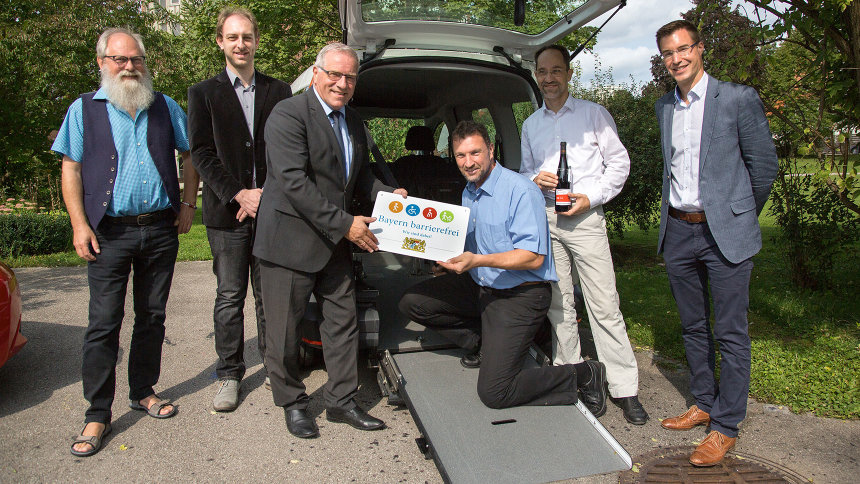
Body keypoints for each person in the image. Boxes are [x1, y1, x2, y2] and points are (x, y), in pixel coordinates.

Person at [52, 28, 199, 457]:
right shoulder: (83, 110)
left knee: (152, 316)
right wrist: (80, 224)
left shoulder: (164, 106)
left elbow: (190, 156)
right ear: (102, 63)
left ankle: (143, 390)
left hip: (158, 229)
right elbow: (71, 169)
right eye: (120, 60)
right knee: (104, 323)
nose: (130, 67)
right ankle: (97, 412)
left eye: (136, 60)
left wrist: (189, 203)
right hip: (108, 232)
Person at [253, 42, 407, 438]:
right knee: (284, 332)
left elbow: (358, 175)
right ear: (316, 73)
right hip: (289, 243)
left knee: (343, 323)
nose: (342, 83)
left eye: (350, 77)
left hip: (334, 243)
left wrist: (385, 194)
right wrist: (347, 225)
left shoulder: (353, 121)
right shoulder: (288, 114)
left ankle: (341, 402)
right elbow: (292, 183)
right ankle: (292, 402)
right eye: (335, 74)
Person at [399, 120, 607, 411]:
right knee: (413, 302)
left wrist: (476, 261)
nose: (468, 162)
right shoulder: (468, 192)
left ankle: (583, 374)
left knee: (495, 393)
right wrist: (452, 261)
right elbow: (476, 244)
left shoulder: (520, 190)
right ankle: (484, 343)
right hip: (482, 286)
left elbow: (533, 257)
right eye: (461, 155)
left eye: (475, 153)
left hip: (520, 295)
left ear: (491, 150)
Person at [654, 20, 778, 466]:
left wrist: (736, 213)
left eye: (683, 49)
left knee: (730, 331)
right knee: (691, 325)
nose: (677, 59)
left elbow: (763, 166)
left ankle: (725, 425)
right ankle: (704, 401)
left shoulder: (738, 99)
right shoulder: (664, 107)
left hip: (723, 232)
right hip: (679, 230)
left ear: (700, 49)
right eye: (668, 53)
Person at [519, 45, 647, 424]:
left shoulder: (594, 114)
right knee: (559, 303)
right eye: (542, 72)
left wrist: (591, 198)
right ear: (537, 75)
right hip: (547, 217)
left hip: (586, 218)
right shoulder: (531, 125)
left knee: (603, 303)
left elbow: (619, 164)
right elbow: (525, 171)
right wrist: (533, 178)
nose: (549, 78)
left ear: (569, 74)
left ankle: (625, 389)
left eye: (556, 70)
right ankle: (572, 376)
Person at [187, 6, 292, 412]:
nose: (241, 44)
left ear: (257, 40)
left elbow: (287, 149)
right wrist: (240, 194)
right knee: (230, 296)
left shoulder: (279, 91)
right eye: (232, 37)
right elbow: (201, 153)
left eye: (246, 36)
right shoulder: (203, 93)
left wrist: (263, 193)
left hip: (271, 212)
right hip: (226, 215)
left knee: (269, 295)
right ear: (220, 42)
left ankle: (274, 368)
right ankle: (230, 374)